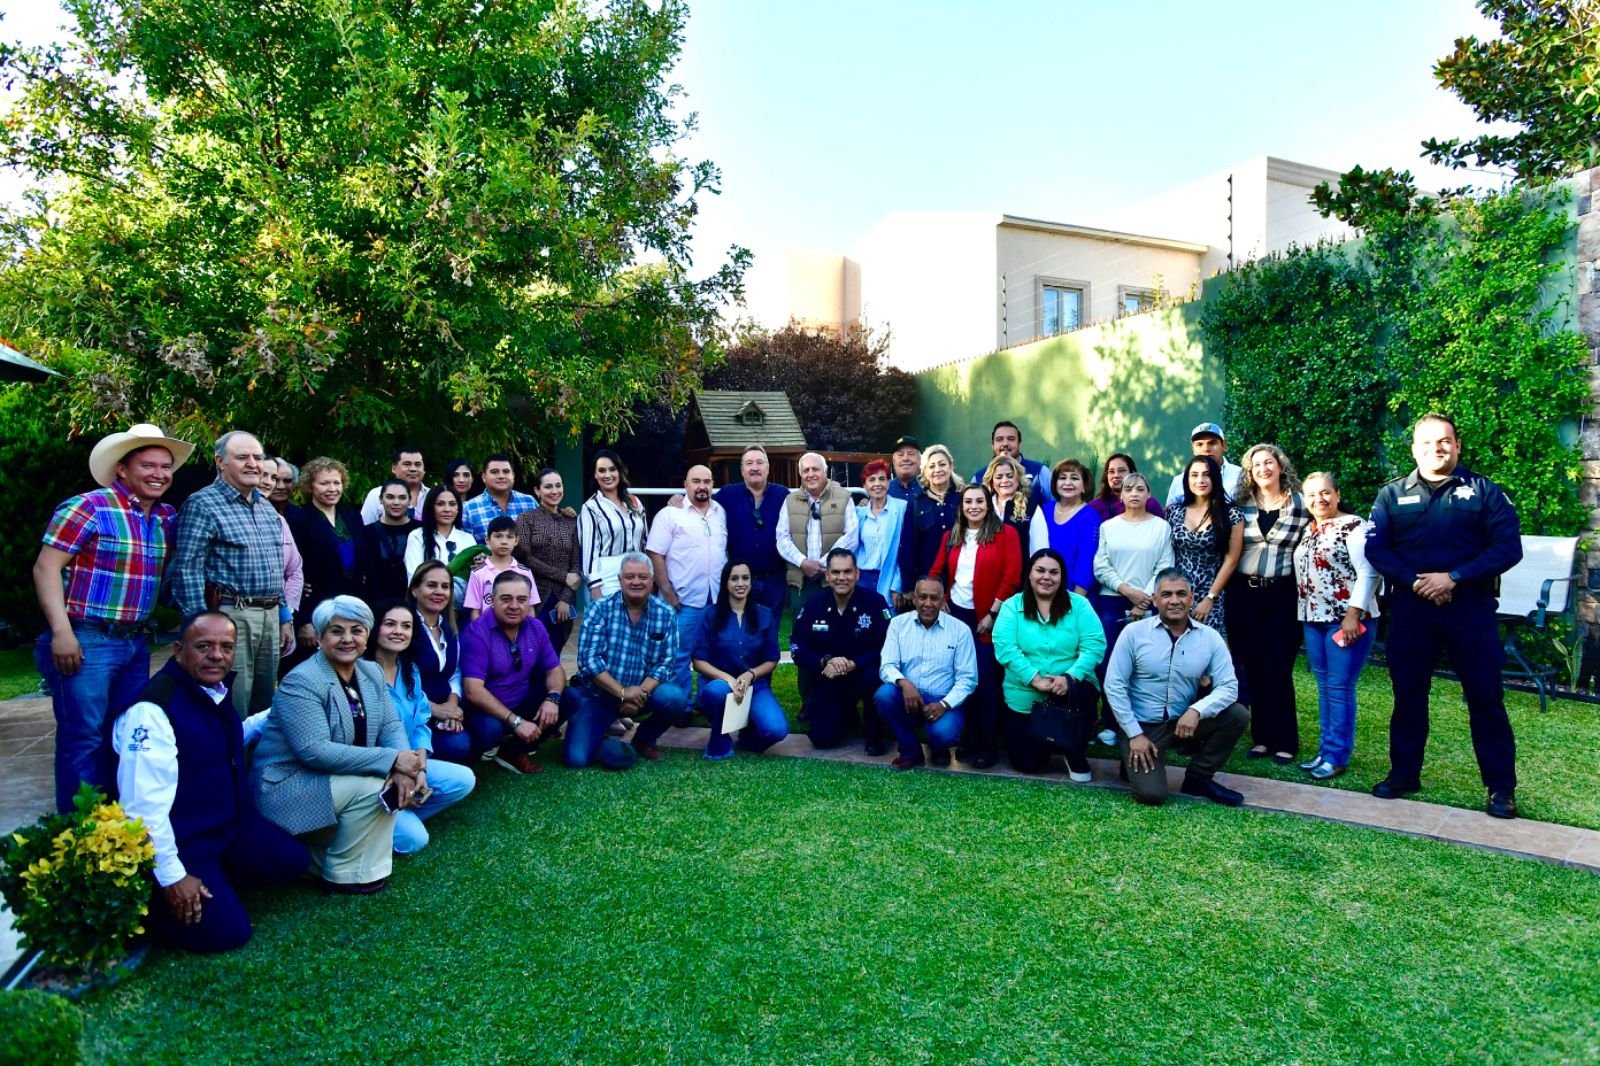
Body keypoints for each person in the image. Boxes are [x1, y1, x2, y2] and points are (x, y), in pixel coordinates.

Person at [111, 612, 310, 952]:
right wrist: (173, 876)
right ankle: (156, 904)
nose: (217, 655)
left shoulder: (212, 690)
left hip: (227, 828)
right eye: (203, 646)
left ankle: (216, 881)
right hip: (185, 840)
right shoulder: (153, 711)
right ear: (178, 650)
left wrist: (277, 711)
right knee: (228, 934)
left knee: (292, 862)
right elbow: (142, 810)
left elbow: (223, 738)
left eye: (226, 647)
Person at [1364, 414, 1523, 818]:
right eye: (1427, 442)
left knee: (1485, 698)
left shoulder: (1485, 491)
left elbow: (1508, 548)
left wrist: (1453, 578)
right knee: (1408, 697)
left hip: (1470, 611)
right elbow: (1377, 549)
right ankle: (1404, 774)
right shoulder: (1391, 495)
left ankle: (1501, 788)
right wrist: (1417, 582)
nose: (1436, 448)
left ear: (1457, 446)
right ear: (1414, 448)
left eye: (1444, 441)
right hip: (1412, 612)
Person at [33, 423, 195, 811]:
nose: (159, 474)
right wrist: (61, 632)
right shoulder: (88, 507)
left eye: (166, 467)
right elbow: (45, 568)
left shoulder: (165, 518)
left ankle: (116, 828)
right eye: (148, 465)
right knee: (83, 736)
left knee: (123, 734)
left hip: (135, 642)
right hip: (88, 638)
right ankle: (80, 834)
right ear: (122, 469)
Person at [252, 597, 426, 894]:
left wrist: (404, 765)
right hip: (289, 784)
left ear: (367, 635)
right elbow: (314, 750)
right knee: (375, 787)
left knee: (387, 787)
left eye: (357, 630)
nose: (348, 639)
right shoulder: (303, 680)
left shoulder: (370, 672)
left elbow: (390, 725)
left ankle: (333, 861)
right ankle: (342, 874)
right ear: (319, 637)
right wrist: (392, 761)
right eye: (336, 631)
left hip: (335, 781)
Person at [1104, 569, 1250, 807]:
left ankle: (1198, 778)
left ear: (1191, 599)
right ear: (1155, 600)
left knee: (1237, 715)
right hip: (1142, 727)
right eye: (1166, 594)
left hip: (1183, 723)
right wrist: (1135, 734)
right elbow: (1114, 685)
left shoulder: (1210, 638)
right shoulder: (1133, 633)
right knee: (1152, 795)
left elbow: (1229, 686)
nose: (1174, 601)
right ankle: (1131, 756)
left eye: (1181, 594)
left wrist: (1197, 711)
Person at [171, 430, 290, 716]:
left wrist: (284, 616)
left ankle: (257, 761)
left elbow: (277, 565)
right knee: (232, 699)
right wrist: (198, 626)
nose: (253, 464)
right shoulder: (202, 504)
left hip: (270, 616)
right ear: (220, 462)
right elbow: (188, 569)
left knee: (264, 704)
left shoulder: (265, 507)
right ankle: (227, 759)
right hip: (230, 615)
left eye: (258, 457)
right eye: (243, 457)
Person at [561, 552, 691, 765]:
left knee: (675, 698)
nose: (636, 582)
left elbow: (666, 663)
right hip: (597, 695)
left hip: (641, 694)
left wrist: (639, 693)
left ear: (652, 580)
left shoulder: (666, 613)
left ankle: (644, 739)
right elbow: (589, 662)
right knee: (576, 759)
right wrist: (622, 693)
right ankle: (601, 737)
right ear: (620, 580)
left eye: (642, 577)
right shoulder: (598, 609)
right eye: (629, 577)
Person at [366, 602, 476, 850]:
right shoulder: (361, 672)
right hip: (374, 769)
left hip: (409, 763)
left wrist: (421, 770)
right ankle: (378, 823)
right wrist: (397, 769)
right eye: (390, 624)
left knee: (463, 779)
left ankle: (395, 815)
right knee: (416, 840)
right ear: (375, 629)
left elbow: (420, 726)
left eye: (406, 626)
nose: (398, 631)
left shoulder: (410, 671)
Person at [1293, 472, 1380, 781]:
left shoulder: (1355, 527)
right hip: (1314, 620)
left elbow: (1369, 573)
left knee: (1339, 687)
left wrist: (1353, 615)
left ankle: (1336, 755)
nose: (1320, 499)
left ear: (1338, 494)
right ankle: (1325, 750)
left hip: (1347, 622)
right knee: (1325, 687)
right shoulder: (1310, 529)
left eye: (1326, 492)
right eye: (1312, 494)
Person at [930, 484, 1022, 768]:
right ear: (962, 506)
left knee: (985, 682)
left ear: (988, 504)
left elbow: (1012, 577)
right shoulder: (952, 535)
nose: (973, 506)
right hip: (957, 615)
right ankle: (967, 740)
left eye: (979, 501)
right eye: (968, 501)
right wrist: (941, 597)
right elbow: (936, 571)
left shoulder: (1006, 534)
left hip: (987, 617)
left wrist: (992, 614)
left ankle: (987, 744)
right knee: (961, 678)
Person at [992, 549, 1105, 779]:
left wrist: (1069, 678)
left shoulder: (1080, 605)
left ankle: (1071, 748)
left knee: (1080, 694)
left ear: (1062, 577)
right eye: (1040, 570)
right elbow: (1005, 648)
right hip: (1025, 692)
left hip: (1070, 691)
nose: (1047, 577)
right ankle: (1051, 741)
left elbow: (1094, 645)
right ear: (1030, 574)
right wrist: (1036, 679)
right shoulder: (1012, 606)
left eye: (1054, 572)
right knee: (1028, 764)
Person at [1232, 444, 1311, 763]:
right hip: (1243, 593)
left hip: (1282, 595)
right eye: (1255, 465)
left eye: (1269, 463)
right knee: (1251, 666)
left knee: (1278, 667)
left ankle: (1286, 740)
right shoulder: (1239, 505)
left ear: (1280, 466)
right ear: (1249, 473)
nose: (1263, 469)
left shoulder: (1302, 504)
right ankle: (1261, 738)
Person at [1091, 471, 1174, 744]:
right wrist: (1126, 590)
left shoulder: (1161, 527)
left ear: (1148, 494)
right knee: (1110, 665)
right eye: (1129, 489)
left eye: (1140, 488)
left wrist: (1145, 597)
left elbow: (1165, 565)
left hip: (1149, 605)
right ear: (1121, 495)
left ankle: (1142, 722)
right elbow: (1101, 565)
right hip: (1112, 601)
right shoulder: (1109, 527)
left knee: (1143, 665)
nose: (1134, 493)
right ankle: (1112, 723)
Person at [459, 572, 569, 774]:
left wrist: (552, 699)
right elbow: (472, 691)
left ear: (530, 602)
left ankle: (514, 751)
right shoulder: (477, 633)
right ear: (492, 600)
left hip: (521, 700)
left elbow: (554, 669)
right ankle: (469, 762)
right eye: (506, 599)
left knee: (569, 697)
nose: (514, 606)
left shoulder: (535, 626)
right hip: (485, 710)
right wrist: (515, 722)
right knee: (489, 730)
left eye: (521, 599)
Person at [791, 548, 893, 752]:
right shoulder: (814, 605)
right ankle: (846, 714)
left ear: (857, 573)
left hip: (863, 674)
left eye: (847, 572)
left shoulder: (875, 603)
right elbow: (797, 646)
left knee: (873, 676)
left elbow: (886, 646)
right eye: (836, 572)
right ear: (827, 575)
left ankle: (874, 730)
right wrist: (823, 662)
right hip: (829, 675)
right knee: (821, 739)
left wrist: (854, 663)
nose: (841, 578)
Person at [873, 576, 977, 770]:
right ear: (914, 599)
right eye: (922, 597)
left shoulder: (960, 630)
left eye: (934, 598)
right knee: (884, 695)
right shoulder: (897, 624)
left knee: (944, 733)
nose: (928, 603)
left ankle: (938, 749)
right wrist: (904, 684)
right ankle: (910, 750)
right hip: (907, 697)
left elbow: (968, 679)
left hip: (943, 699)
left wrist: (944, 704)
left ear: (943, 600)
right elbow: (887, 665)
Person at [691, 560, 788, 759]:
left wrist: (749, 675)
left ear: (751, 583)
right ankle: (720, 737)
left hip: (754, 686)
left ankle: (747, 738)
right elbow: (698, 660)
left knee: (777, 730)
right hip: (720, 684)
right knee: (715, 691)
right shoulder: (711, 614)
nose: (740, 583)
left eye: (745, 578)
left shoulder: (765, 615)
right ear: (725, 582)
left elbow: (771, 659)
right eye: (734, 578)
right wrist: (728, 679)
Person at [646, 464, 728, 695]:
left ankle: (706, 701)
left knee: (710, 654)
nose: (702, 486)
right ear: (685, 485)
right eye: (696, 481)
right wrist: (666, 590)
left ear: (712, 485)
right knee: (678, 655)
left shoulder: (720, 512)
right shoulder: (671, 513)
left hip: (715, 599)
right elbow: (655, 553)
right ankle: (679, 705)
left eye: (707, 481)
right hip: (683, 600)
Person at [286, 457, 366, 661]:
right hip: (315, 610)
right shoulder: (298, 520)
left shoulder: (352, 517)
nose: (332, 488)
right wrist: (302, 621)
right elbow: (293, 570)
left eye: (336, 483)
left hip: (350, 607)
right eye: (324, 483)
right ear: (310, 486)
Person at [1167, 455, 1243, 640]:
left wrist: (1210, 598)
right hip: (1176, 594)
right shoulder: (1174, 511)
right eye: (1194, 475)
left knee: (1204, 656)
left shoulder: (1231, 514)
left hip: (1209, 596)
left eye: (1206, 475)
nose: (1200, 480)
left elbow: (1231, 560)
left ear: (1215, 478)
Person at [712, 444, 791, 620]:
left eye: (759, 462)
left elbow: (811, 503)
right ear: (742, 470)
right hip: (741, 580)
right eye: (749, 463)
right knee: (741, 632)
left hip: (775, 579)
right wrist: (679, 500)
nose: (754, 468)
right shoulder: (727, 495)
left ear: (768, 468)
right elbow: (700, 506)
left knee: (771, 632)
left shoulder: (783, 495)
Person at [512, 468, 584, 653]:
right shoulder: (526, 519)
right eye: (548, 486)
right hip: (534, 595)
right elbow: (524, 558)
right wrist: (562, 576)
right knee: (530, 649)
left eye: (558, 486)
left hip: (563, 598)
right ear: (537, 491)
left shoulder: (571, 521)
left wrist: (566, 599)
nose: (554, 491)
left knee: (555, 651)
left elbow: (576, 563)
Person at [777, 451, 860, 606]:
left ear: (825, 471)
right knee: (802, 628)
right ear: (800, 475)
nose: (811, 474)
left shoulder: (844, 497)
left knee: (836, 627)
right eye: (806, 470)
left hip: (834, 580)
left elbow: (851, 536)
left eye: (815, 469)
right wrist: (803, 562)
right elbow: (782, 538)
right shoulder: (789, 501)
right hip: (800, 582)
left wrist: (823, 565)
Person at [406, 561, 469, 762]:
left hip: (445, 704)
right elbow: (398, 681)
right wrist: (434, 709)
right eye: (431, 585)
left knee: (484, 729)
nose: (439, 592)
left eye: (445, 586)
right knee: (459, 746)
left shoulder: (449, 628)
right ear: (415, 590)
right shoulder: (404, 628)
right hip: (414, 713)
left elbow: (455, 672)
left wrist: (451, 706)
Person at [578, 449, 648, 600]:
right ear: (596, 475)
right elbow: (588, 553)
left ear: (620, 471)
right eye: (602, 471)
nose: (607, 475)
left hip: (636, 574)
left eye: (612, 469)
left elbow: (645, 542)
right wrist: (594, 587)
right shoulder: (591, 507)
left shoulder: (635, 503)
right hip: (606, 578)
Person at [1029, 458, 1101, 597]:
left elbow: (1086, 563)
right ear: (1055, 484)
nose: (1067, 483)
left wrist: (1076, 602)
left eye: (1074, 478)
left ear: (1084, 486)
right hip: (1040, 592)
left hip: (1074, 596)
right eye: (1062, 478)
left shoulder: (1090, 517)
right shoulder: (1043, 511)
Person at [897, 443, 961, 596]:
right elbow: (907, 546)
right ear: (924, 471)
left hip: (959, 581)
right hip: (927, 581)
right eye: (931, 466)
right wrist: (908, 586)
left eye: (942, 464)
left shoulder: (962, 498)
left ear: (951, 467)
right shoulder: (916, 502)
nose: (937, 470)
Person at [258, 465, 305, 670]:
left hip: (284, 610)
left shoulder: (286, 519)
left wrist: (287, 613)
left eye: (285, 480)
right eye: (267, 477)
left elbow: (294, 569)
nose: (276, 485)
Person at [358, 479, 421, 605]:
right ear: (381, 499)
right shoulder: (366, 533)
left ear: (409, 500)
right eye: (390, 497)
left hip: (413, 602)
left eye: (402, 498)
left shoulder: (421, 530)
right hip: (376, 603)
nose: (396, 502)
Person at [464, 516, 538, 621]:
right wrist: (481, 635)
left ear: (516, 540)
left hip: (517, 633)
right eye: (498, 536)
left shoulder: (525, 572)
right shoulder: (478, 573)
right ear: (487, 539)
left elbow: (530, 608)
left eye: (509, 537)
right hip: (488, 633)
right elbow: (475, 611)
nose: (504, 541)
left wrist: (528, 634)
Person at [854, 459, 906, 599]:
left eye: (882, 479)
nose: (877, 484)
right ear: (865, 485)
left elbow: (906, 551)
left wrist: (898, 585)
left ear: (888, 483)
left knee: (886, 618)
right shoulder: (859, 513)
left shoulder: (902, 509)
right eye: (871, 480)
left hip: (888, 578)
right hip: (862, 579)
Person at [970, 420, 1049, 508]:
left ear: (1019, 444)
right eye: (999, 439)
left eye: (1011, 439)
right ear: (992, 445)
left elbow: (1056, 507)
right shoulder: (978, 478)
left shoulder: (1040, 472)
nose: (1005, 444)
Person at [1164, 422, 1244, 508]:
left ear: (1224, 446)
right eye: (1200, 444)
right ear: (1193, 449)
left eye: (1212, 443)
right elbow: (1169, 515)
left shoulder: (1241, 476)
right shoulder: (1179, 481)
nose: (1206, 449)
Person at [404, 485, 475, 580]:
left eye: (452, 504)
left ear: (458, 508)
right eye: (440, 504)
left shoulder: (468, 539)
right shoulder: (417, 536)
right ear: (431, 507)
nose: (447, 509)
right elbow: (413, 576)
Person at [462, 454, 536, 541]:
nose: (501, 476)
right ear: (484, 477)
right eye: (494, 472)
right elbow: (465, 549)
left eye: (506, 471)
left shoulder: (529, 502)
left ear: (513, 476)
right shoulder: (469, 509)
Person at [984, 454, 1036, 558]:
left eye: (1010, 476)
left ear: (1018, 478)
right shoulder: (983, 505)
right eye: (999, 477)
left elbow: (1038, 548)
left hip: (1022, 571)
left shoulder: (1031, 506)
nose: (1005, 480)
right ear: (991, 481)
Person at [359, 447, 428, 524]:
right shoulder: (376, 494)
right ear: (394, 468)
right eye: (407, 464)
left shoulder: (433, 496)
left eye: (418, 465)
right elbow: (365, 528)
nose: (413, 469)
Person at [1089, 452, 1164, 522]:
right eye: (1111, 472)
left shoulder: (1149, 503)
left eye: (1121, 471)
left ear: (1132, 473)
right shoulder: (1094, 507)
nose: (1116, 475)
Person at [887, 435, 924, 504]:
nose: (905, 458)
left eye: (911, 454)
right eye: (900, 455)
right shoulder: (885, 489)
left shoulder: (930, 487)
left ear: (920, 460)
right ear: (894, 461)